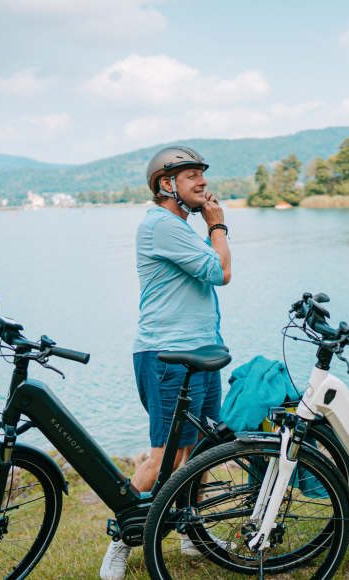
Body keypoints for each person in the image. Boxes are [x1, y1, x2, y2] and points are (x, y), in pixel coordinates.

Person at [100, 146, 232, 579]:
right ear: (166, 184)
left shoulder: (176, 225)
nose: (202, 183)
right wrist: (219, 225)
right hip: (167, 354)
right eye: (192, 175)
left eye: (202, 175)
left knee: (197, 452)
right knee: (163, 456)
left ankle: (193, 534)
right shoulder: (161, 224)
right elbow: (221, 272)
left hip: (200, 352)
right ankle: (120, 541)